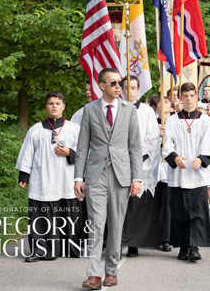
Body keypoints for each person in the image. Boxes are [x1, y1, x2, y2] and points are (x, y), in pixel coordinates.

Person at [74, 68, 142, 290]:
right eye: (113, 83)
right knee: (95, 224)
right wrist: (78, 177)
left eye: (119, 83)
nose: (118, 87)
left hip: (121, 175)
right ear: (101, 86)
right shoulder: (89, 110)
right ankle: (93, 274)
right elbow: (82, 147)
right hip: (96, 175)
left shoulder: (129, 109)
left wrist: (137, 177)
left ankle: (111, 271)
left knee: (115, 224)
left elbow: (135, 147)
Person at [16, 91, 84, 262]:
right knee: (41, 216)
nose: (54, 106)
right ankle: (41, 250)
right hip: (43, 179)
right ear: (46, 107)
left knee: (69, 215)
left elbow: (85, 153)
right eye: (50, 103)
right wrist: (24, 175)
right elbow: (27, 153)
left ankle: (70, 248)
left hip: (66, 179)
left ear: (63, 106)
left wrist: (70, 152)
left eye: (57, 103)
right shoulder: (36, 130)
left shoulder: (74, 129)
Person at [162, 82, 210, 262]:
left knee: (197, 211)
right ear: (180, 98)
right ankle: (183, 247)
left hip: (197, 174)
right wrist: (174, 157)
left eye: (191, 96)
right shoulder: (173, 120)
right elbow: (168, 145)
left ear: (196, 97)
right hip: (179, 174)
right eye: (185, 96)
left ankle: (194, 247)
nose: (188, 99)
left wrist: (202, 159)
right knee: (180, 212)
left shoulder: (205, 121)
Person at [121, 76, 162, 258]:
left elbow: (153, 137)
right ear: (121, 89)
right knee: (120, 203)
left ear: (138, 90)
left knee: (137, 205)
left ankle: (133, 243)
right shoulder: (116, 109)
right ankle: (117, 239)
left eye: (133, 87)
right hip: (119, 162)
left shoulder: (146, 112)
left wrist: (138, 154)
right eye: (126, 87)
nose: (130, 91)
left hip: (141, 162)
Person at [154, 96, 174, 252]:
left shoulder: (175, 123)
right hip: (153, 168)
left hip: (168, 169)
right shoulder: (151, 121)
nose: (162, 103)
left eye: (166, 102)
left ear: (172, 108)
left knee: (167, 204)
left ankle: (166, 238)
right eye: (160, 101)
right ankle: (151, 236)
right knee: (152, 204)